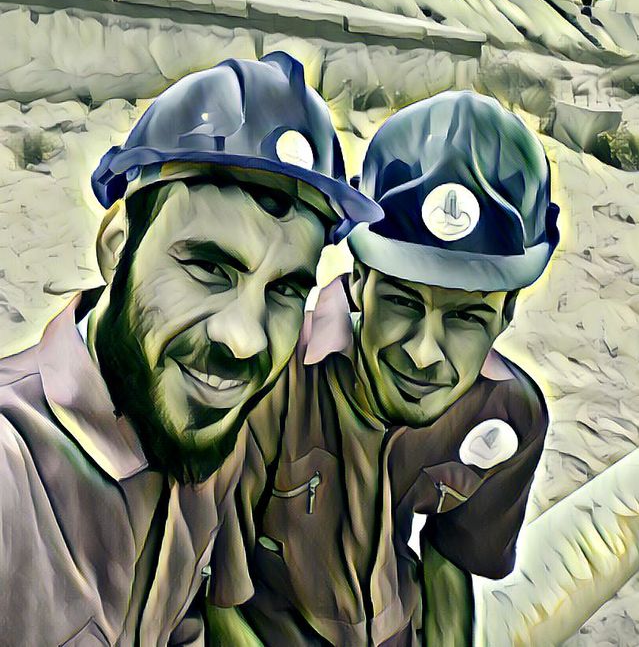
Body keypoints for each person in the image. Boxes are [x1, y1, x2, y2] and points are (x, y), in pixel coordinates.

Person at [0, 52, 379, 646]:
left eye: (285, 290)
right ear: (117, 248)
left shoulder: (207, 431)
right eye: (208, 267)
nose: (246, 339)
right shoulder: (11, 470)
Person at [205, 90, 560, 646]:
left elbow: (449, 561)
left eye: (467, 316)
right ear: (358, 279)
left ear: (507, 312)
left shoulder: (508, 415)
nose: (423, 353)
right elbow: (217, 603)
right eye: (401, 301)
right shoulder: (273, 381)